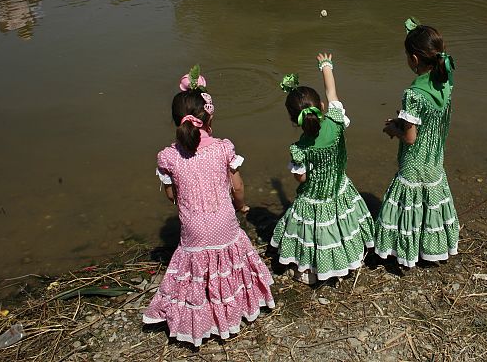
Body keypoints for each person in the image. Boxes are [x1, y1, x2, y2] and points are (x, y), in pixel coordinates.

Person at [143, 66, 275, 347]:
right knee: (228, 260)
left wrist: (183, 200)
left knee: (196, 269)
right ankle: (233, 310)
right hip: (224, 226)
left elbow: (171, 195)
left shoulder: (168, 157)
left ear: (176, 122)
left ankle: (199, 317)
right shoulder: (223, 148)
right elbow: (237, 187)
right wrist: (241, 207)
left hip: (193, 231)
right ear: (209, 116)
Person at [271, 55, 374, 284]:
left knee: (316, 233)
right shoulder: (336, 120)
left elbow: (301, 178)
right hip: (338, 187)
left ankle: (315, 268)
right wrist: (325, 66)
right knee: (341, 226)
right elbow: (331, 93)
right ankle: (347, 258)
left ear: (293, 120)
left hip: (315, 196)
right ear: (322, 108)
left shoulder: (299, 148)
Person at [374, 19, 459, 268]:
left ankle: (405, 252)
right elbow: (430, 117)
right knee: (431, 198)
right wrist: (404, 120)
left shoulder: (413, 94)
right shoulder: (447, 76)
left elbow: (410, 137)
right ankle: (434, 247)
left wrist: (394, 128)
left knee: (409, 199)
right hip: (435, 154)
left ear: (413, 59)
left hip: (415, 158)